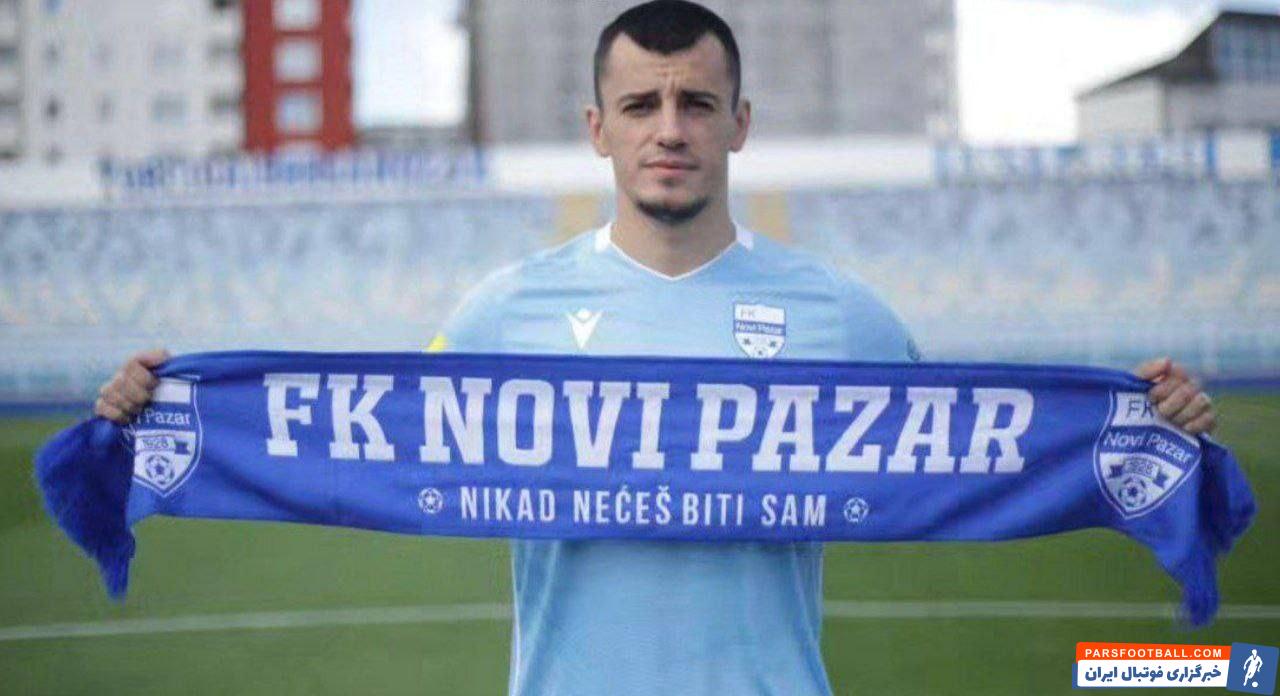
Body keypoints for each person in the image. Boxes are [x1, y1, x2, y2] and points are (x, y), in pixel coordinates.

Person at [92, 2, 1219, 694]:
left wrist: (1138, 429)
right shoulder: (504, 313)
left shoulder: (844, 318)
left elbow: (983, 448)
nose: (668, 128)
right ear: (599, 130)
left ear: (739, 123)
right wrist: (167, 415)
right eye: (640, 105)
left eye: (695, 102)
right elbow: (365, 435)